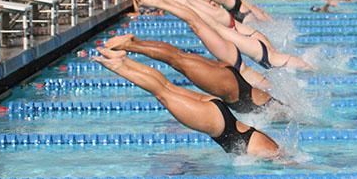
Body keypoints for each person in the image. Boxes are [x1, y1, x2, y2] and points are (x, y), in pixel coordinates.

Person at [92, 48, 281, 159]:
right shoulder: (273, 156)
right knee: (162, 92)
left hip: (219, 112)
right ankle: (118, 66)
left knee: (166, 87)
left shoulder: (273, 147)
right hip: (217, 123)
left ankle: (123, 61)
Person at [106, 34, 278, 114]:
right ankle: (129, 46)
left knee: (178, 57)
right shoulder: (279, 110)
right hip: (233, 89)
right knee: (177, 60)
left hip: (232, 82)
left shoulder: (275, 103)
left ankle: (134, 44)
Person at [141, 0, 312, 71]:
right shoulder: (221, 11)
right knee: (208, 25)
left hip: (259, 50)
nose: (211, 1)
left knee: (207, 25)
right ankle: (166, 2)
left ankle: (166, 2)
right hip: (261, 51)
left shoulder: (221, 11)